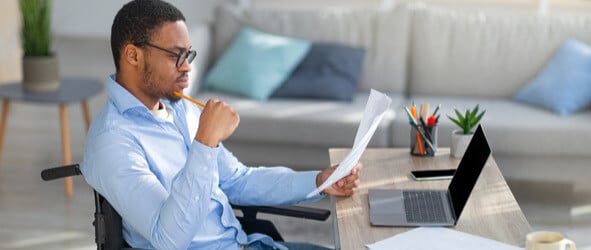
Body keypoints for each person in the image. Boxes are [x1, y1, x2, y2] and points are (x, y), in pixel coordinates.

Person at [80, 0, 362, 249]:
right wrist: (204, 142)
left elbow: (237, 179)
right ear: (133, 56)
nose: (187, 66)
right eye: (175, 55)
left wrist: (318, 182)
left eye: (188, 55)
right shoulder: (113, 141)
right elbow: (168, 239)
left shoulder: (180, 108)